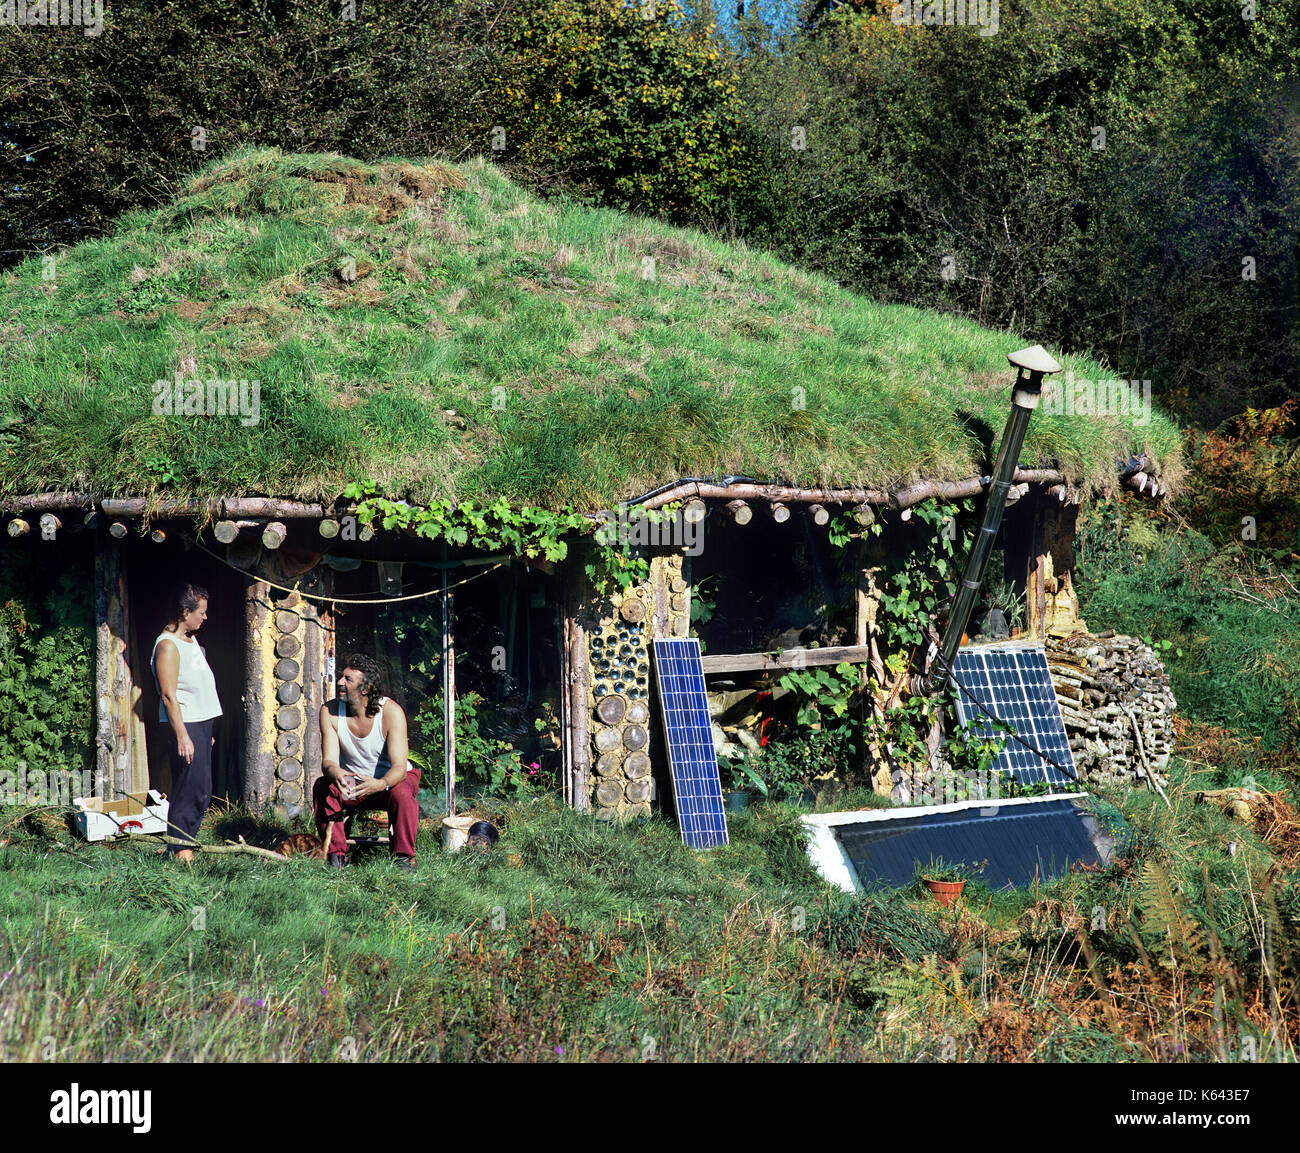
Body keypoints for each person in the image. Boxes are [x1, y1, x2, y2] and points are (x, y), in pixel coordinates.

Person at [313, 653, 418, 871]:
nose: (339, 682)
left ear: (366, 688)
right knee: (323, 787)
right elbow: (328, 761)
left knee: (401, 793)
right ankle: (336, 856)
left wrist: (380, 783)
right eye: (341, 676)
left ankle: (403, 858)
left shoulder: (391, 712)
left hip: (389, 783)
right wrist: (336, 772)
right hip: (354, 784)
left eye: (348, 679)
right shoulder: (329, 712)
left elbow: (400, 767)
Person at [151, 583, 222, 863]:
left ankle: (182, 844)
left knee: (201, 788)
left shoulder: (191, 642)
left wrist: (206, 732)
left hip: (200, 724)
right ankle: (180, 850)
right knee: (189, 788)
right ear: (184, 612)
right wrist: (183, 735)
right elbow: (168, 695)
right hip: (185, 724)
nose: (205, 617)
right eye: (201, 612)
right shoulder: (168, 646)